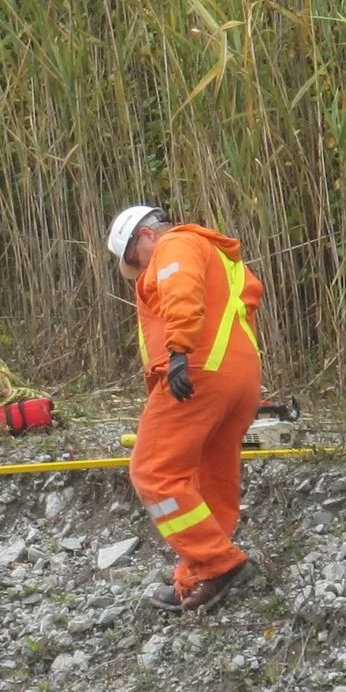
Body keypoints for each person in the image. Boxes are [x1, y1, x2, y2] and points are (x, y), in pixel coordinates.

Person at [106, 204, 265, 612]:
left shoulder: (174, 243)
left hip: (197, 371)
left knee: (153, 471)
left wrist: (178, 351)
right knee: (209, 478)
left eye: (134, 261)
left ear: (144, 237)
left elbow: (181, 289)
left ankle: (218, 563)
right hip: (238, 375)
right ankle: (199, 573)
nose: (139, 272)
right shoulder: (212, 253)